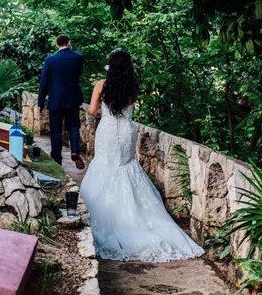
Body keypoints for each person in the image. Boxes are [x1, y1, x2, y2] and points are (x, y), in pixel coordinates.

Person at [80, 50, 204, 262]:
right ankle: (137, 220)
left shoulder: (101, 85)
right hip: (127, 132)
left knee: (105, 166)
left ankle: (107, 216)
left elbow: (92, 111)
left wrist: (103, 108)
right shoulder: (132, 87)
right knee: (126, 168)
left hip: (108, 131)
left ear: (110, 65)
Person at [38, 34, 85, 169]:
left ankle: (57, 161)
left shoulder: (50, 60)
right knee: (74, 126)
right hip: (73, 99)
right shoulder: (78, 58)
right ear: (69, 42)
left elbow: (44, 82)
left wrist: (41, 102)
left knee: (56, 131)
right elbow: (78, 75)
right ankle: (75, 150)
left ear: (57, 45)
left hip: (56, 100)